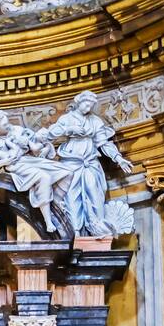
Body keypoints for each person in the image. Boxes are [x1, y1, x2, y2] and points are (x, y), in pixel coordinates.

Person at [38, 90, 134, 236]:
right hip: (71, 163)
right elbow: (50, 134)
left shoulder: (95, 121)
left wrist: (118, 158)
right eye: (86, 104)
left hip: (90, 163)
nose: (88, 108)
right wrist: (69, 129)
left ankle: (97, 230)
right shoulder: (67, 118)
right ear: (79, 102)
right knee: (72, 196)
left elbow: (103, 143)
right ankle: (74, 231)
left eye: (91, 106)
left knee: (95, 194)